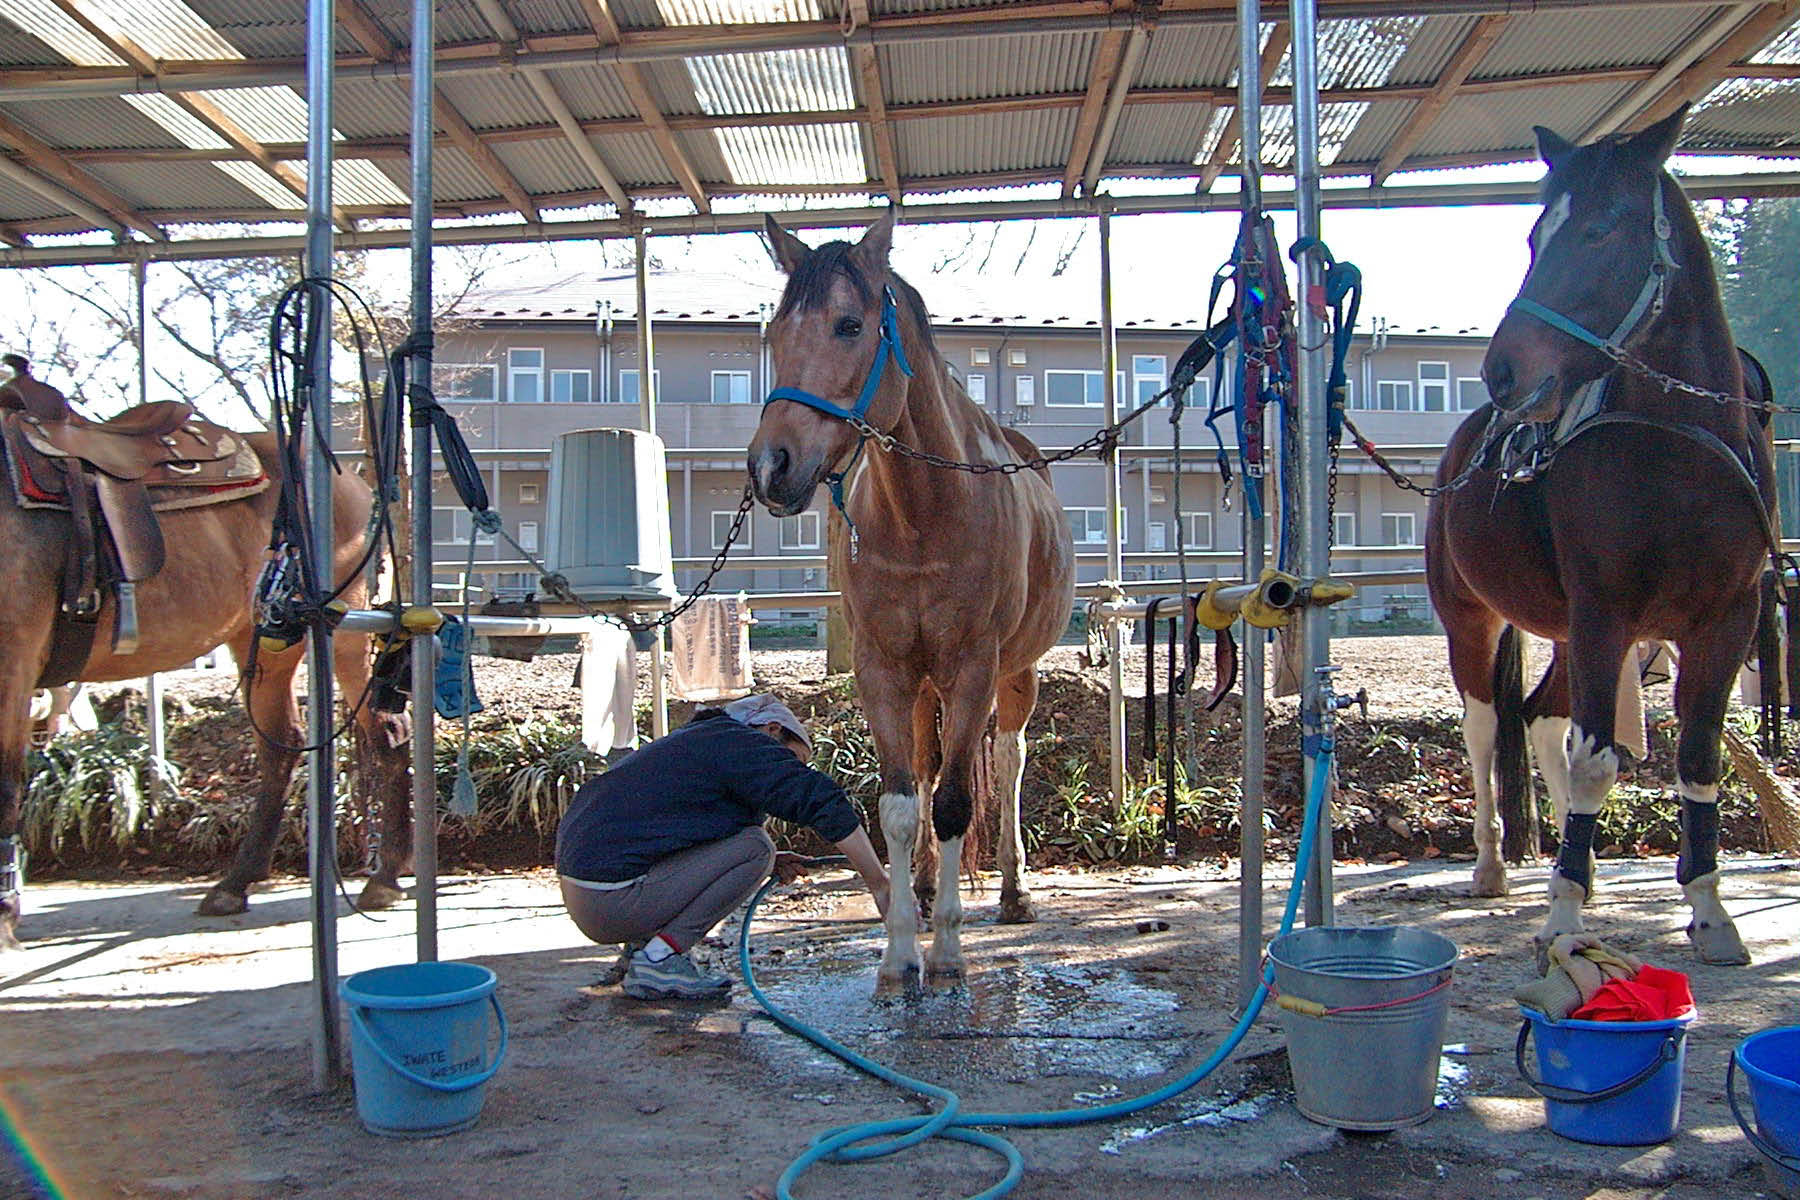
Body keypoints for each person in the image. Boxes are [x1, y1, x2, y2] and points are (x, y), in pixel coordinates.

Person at [556, 693, 890, 1000]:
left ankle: (643, 949)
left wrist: (769, 862)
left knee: (759, 851)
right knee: (757, 847)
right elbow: (819, 799)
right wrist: (880, 884)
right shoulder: (738, 742)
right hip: (612, 900)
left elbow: (674, 832)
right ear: (773, 730)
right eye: (793, 759)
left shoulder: (701, 742)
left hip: (591, 896)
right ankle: (659, 960)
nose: (791, 769)